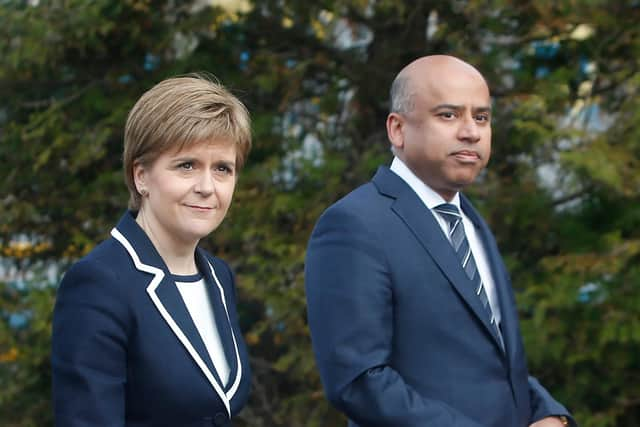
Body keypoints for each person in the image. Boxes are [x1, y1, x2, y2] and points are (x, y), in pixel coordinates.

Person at [304, 55, 576, 427]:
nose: (471, 132)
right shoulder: (354, 224)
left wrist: (548, 412)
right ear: (397, 129)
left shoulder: (470, 222)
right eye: (448, 115)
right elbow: (358, 381)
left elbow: (493, 362)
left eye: (481, 117)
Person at [52, 74, 252, 427]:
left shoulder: (218, 278)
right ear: (141, 176)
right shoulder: (98, 283)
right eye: (187, 165)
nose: (207, 187)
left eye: (223, 169)